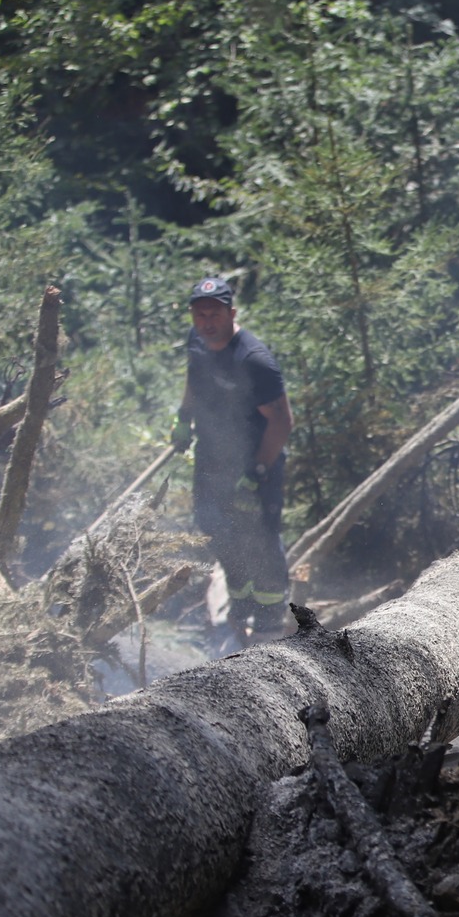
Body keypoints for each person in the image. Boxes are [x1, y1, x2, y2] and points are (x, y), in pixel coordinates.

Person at [173, 276, 294, 649]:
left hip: (256, 465)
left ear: (231, 313)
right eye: (200, 314)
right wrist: (183, 417)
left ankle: (272, 621)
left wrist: (256, 474)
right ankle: (239, 608)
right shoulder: (199, 342)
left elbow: (282, 421)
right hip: (212, 460)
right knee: (218, 532)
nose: (207, 321)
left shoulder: (254, 360)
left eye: (215, 313)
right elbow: (194, 377)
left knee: (259, 538)